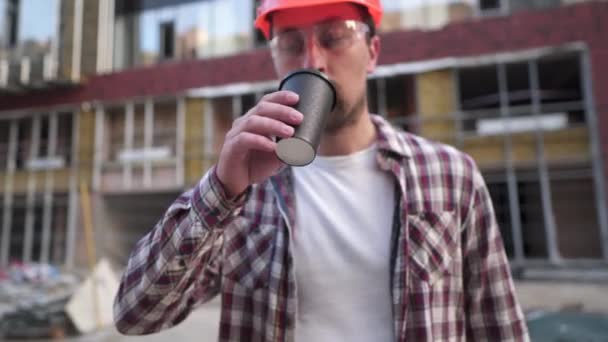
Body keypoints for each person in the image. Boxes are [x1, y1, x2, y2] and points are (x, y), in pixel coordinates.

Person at [113, 0, 529, 341]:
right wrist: (219, 192)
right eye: (290, 44)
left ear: (373, 52)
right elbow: (135, 315)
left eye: (334, 37)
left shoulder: (450, 176)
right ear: (275, 60)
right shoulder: (241, 191)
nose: (313, 60)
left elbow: (499, 327)